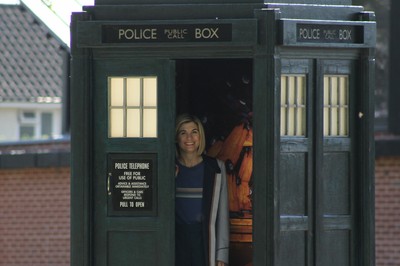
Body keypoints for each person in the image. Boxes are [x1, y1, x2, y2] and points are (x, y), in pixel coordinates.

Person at [175, 114, 229, 266]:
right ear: (176, 138)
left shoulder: (216, 168)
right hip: (176, 240)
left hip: (205, 240)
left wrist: (222, 255)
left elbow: (222, 215)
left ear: (200, 136)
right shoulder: (169, 168)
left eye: (194, 132)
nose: (189, 138)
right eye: (183, 132)